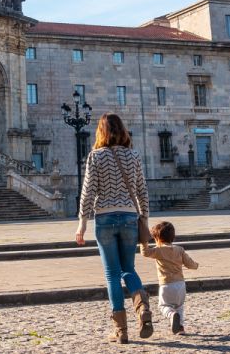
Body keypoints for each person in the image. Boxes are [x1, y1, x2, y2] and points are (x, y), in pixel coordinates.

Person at [75, 113, 153, 344]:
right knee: (128, 268)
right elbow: (142, 192)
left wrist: (82, 224)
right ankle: (142, 308)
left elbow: (88, 192)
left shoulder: (95, 157)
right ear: (122, 130)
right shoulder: (134, 155)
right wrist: (145, 222)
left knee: (112, 274)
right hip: (130, 218)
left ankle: (121, 331)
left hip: (105, 218)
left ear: (101, 132)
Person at [140, 221, 199, 335]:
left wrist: (143, 240)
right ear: (173, 236)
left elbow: (145, 252)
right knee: (180, 306)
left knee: (163, 306)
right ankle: (180, 327)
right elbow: (190, 264)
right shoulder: (179, 249)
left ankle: (171, 315)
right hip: (181, 284)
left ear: (157, 238)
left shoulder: (158, 250)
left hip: (166, 284)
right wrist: (196, 265)